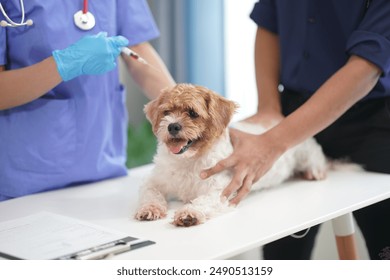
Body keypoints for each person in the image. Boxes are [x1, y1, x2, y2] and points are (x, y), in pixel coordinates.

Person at [201, 0, 390, 260]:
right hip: (289, 111)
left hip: (372, 121)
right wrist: (268, 107)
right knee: (283, 255)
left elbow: (368, 64)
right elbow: (269, 21)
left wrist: (271, 143)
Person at [0, 0, 175, 201]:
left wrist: (181, 103)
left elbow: (136, 47)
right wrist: (65, 63)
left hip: (102, 164)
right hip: (25, 175)